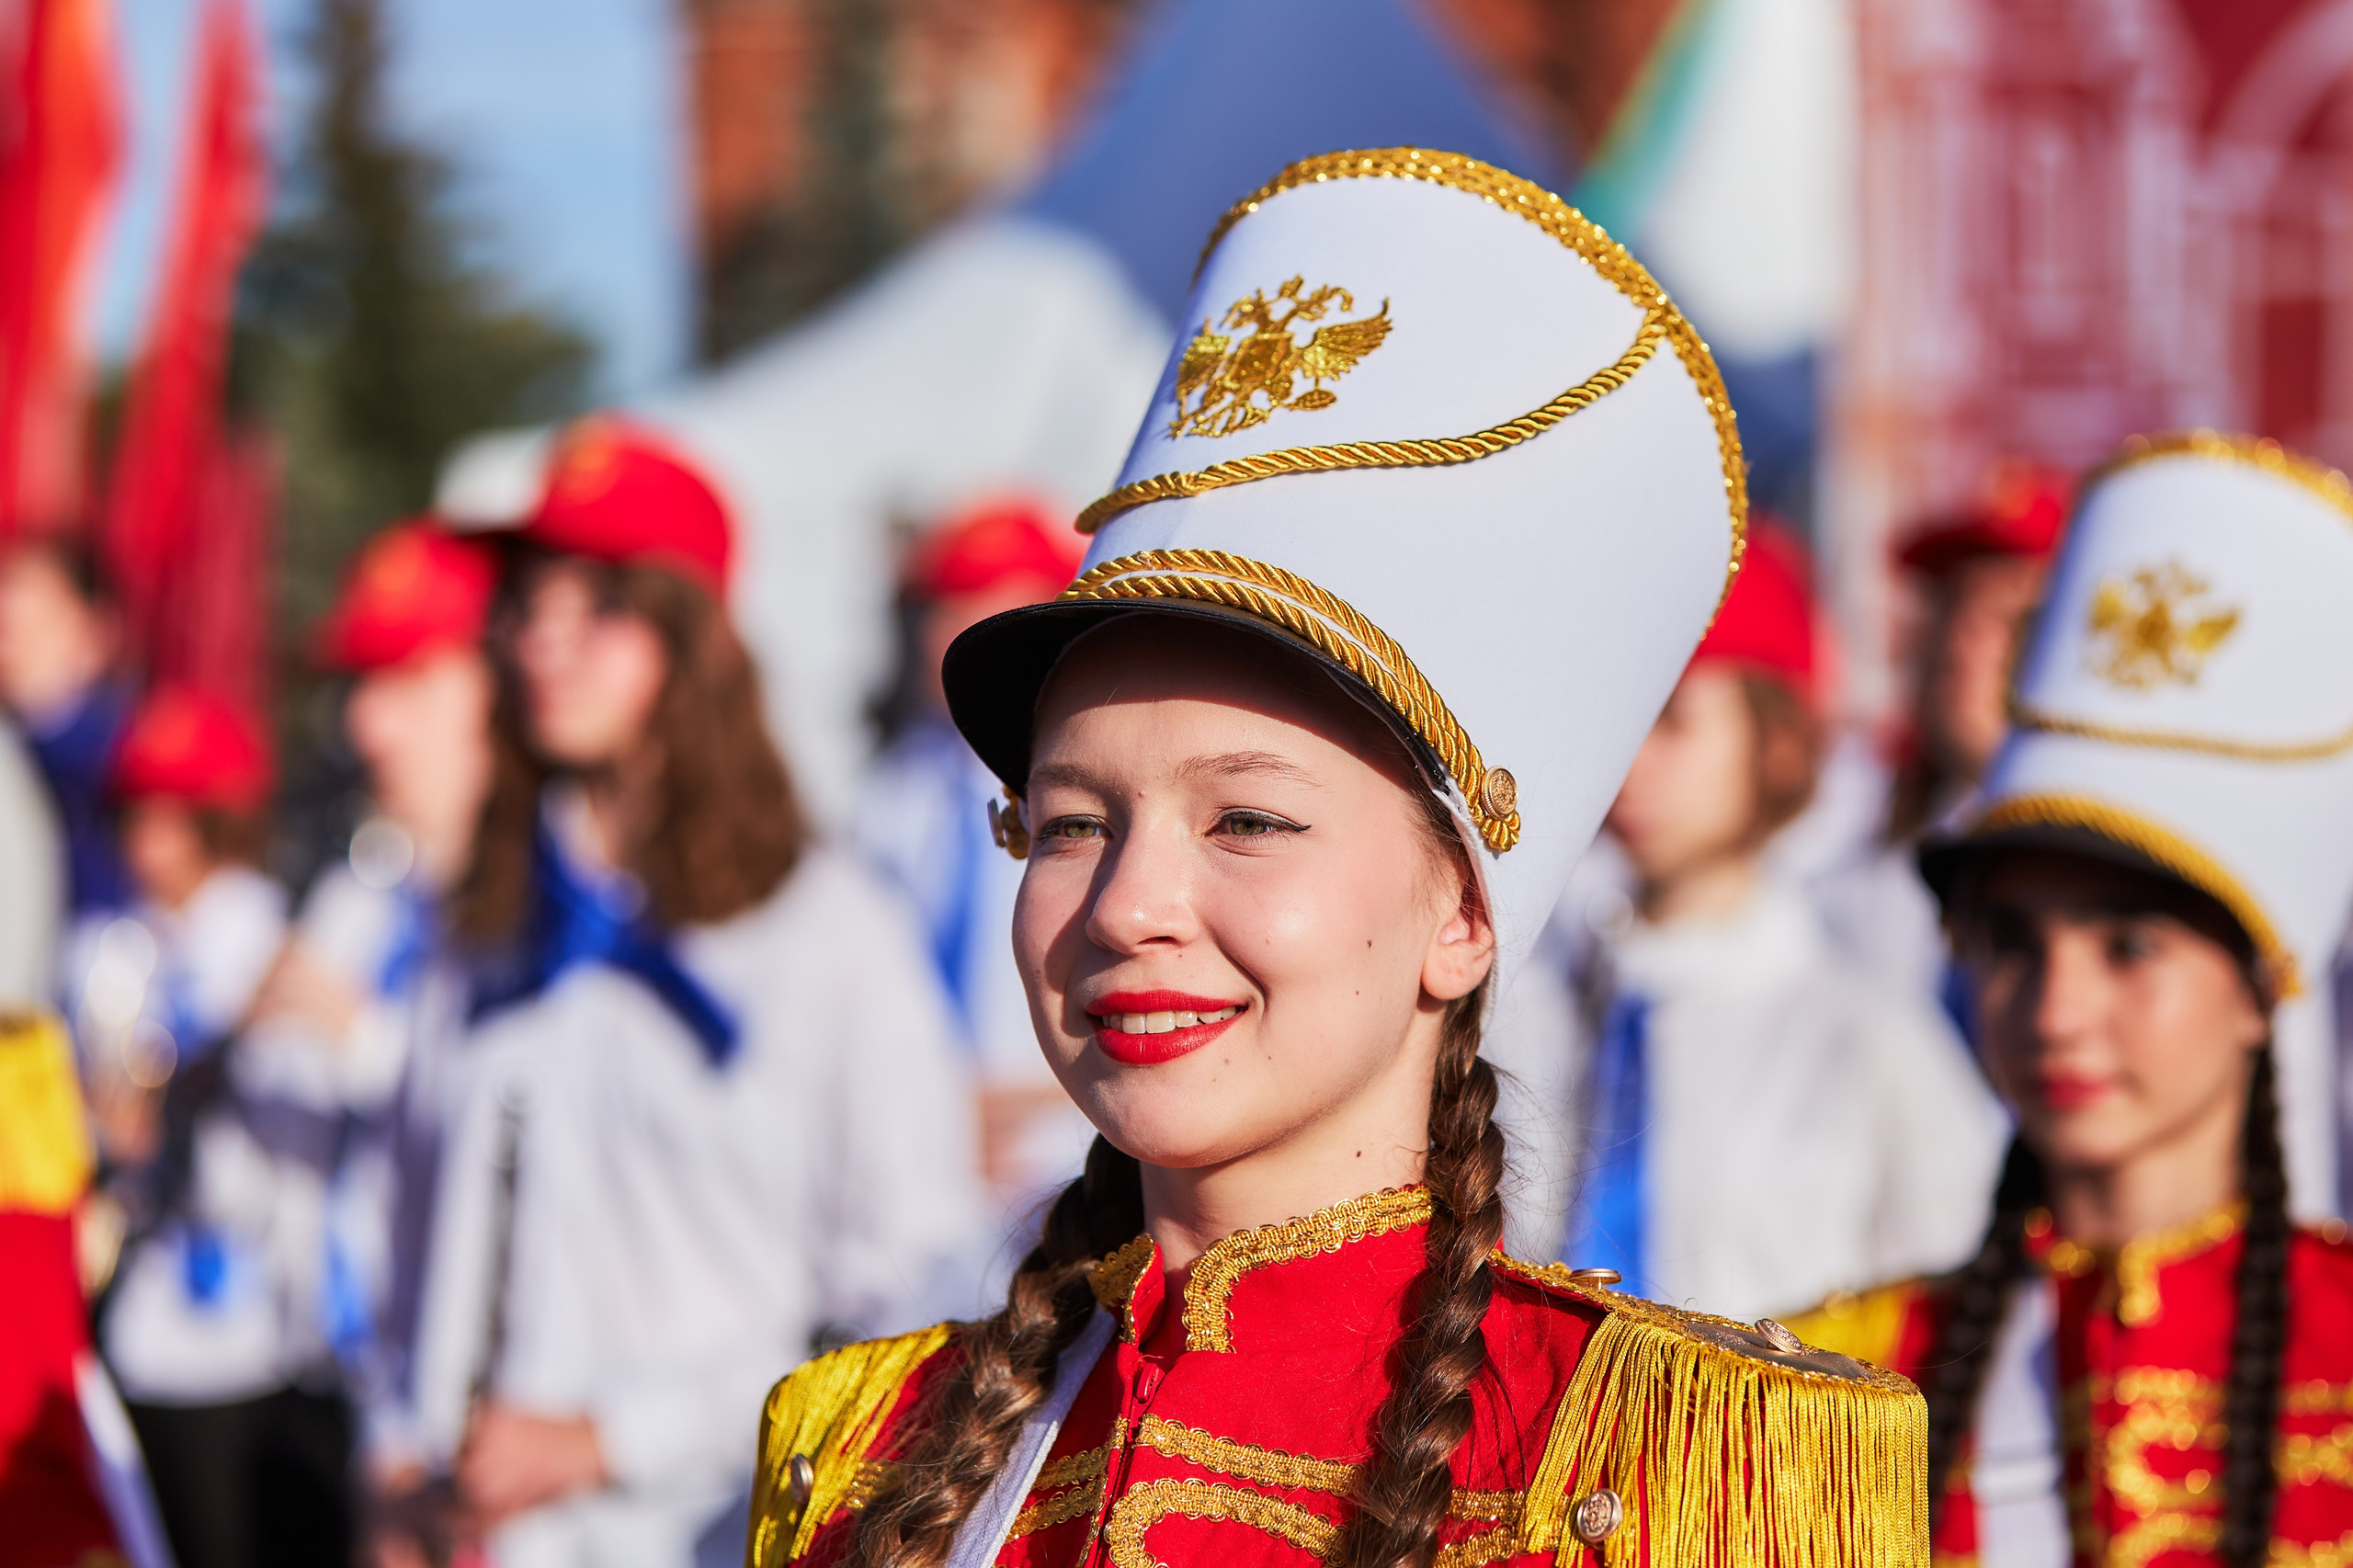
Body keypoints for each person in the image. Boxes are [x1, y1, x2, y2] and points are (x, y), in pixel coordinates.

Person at [742, 149, 1927, 1568]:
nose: (1128, 906)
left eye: (1247, 819)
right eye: (1070, 822)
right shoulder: (863, 1444)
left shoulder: (1681, 1472)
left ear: (1463, 915)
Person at [409, 418, 984, 1568]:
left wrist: (612, 1438)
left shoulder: (829, 936)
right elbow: (414, 1226)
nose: (542, 645)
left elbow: (913, 1297)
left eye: (599, 606)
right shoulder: (480, 922)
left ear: (693, 635)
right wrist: (396, 1453)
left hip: (708, 1532)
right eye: (528, 604)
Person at [1788, 432, 2353, 1568]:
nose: (2053, 1010)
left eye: (2129, 946)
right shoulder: (1829, 1390)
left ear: (2259, 990)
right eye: (2008, 941)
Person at [1556, 524, 2004, 1320]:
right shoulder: (1530, 1007)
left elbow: (1945, 1329)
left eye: (1674, 720)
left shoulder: (1870, 1045)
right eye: (1615, 719)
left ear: (1779, 743)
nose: (1630, 761)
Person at [233, 521, 504, 1527]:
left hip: (490, 1463)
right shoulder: (364, 881)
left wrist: (355, 1032)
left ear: (496, 683)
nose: (365, 726)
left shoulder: (560, 914)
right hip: (351, 1405)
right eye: (361, 686)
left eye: (408, 682)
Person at [75, 687, 355, 1568]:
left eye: (174, 813)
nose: (148, 838)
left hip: (267, 1323)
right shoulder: (108, 946)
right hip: (151, 1306)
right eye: (136, 812)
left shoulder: (273, 932)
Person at [858, 497, 1093, 1229]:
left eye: (990, 605)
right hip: (918, 1177)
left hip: (1073, 1158)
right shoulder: (884, 803)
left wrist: (1002, 1105)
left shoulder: (1094, 789)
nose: (952, 635)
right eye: (945, 606)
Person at [1809, 468, 2071, 1017]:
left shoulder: (2155, 878)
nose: (1963, 649)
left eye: (2013, 620)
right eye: (1951, 612)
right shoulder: (1844, 895)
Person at [0, 536, 134, 919]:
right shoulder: (18, 737)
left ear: (96, 630)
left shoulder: (120, 746)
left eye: (34, 626)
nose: (11, 648)